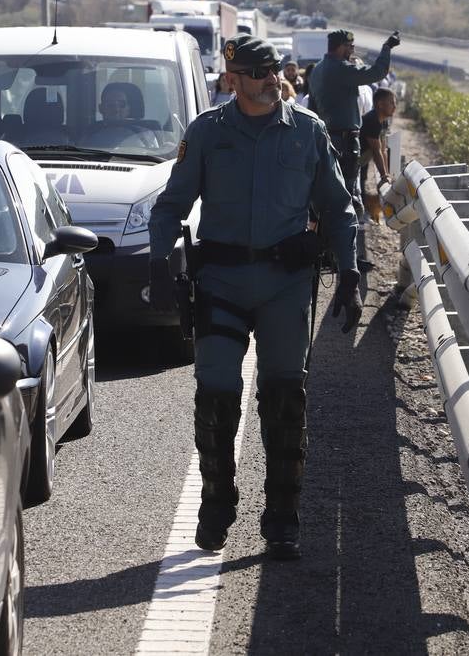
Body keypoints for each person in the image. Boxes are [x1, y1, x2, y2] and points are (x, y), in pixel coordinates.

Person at [148, 34, 359, 561]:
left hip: (285, 286)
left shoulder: (307, 132)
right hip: (220, 283)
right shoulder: (207, 134)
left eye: (274, 72)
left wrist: (352, 274)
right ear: (232, 80)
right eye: (259, 73)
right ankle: (217, 505)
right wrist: (158, 262)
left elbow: (339, 207)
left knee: (285, 398)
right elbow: (169, 206)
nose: (272, 81)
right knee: (215, 394)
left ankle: (283, 517)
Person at [307, 28, 399, 283]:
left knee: (327, 198)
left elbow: (313, 110)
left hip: (326, 139)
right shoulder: (340, 69)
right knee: (347, 200)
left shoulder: (317, 71)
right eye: (350, 47)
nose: (352, 51)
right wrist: (387, 48)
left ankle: (327, 252)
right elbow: (376, 73)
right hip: (346, 141)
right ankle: (345, 260)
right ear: (340, 47)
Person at [359, 88, 397, 196]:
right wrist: (384, 176)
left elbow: (383, 149)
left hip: (363, 161)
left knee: (362, 190)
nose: (395, 107)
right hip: (352, 162)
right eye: (392, 103)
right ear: (380, 104)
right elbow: (376, 152)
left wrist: (387, 174)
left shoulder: (383, 121)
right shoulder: (372, 121)